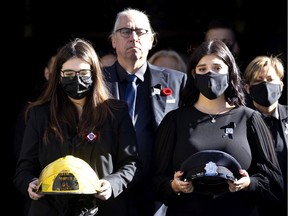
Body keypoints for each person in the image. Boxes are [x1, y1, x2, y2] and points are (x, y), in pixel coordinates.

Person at [152, 40, 284, 216]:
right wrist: (173, 185)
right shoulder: (175, 120)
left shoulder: (250, 118)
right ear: (193, 74)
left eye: (216, 68)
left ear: (229, 72)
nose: (209, 74)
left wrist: (249, 183)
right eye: (202, 69)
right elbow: (154, 179)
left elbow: (275, 182)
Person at [13, 38, 142, 216]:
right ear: (58, 76)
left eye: (83, 72)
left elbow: (131, 164)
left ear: (94, 73)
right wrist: (31, 182)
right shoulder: (39, 114)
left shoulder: (116, 112)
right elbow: (24, 168)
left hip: (102, 208)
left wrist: (112, 184)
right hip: (51, 209)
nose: (77, 79)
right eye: (68, 74)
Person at [103, 8, 187, 216]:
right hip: (107, 189)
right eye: (126, 31)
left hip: (157, 191)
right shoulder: (97, 81)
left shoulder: (177, 82)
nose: (134, 37)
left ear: (151, 40)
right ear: (113, 40)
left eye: (141, 32)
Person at [243, 55, 287, 216]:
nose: (266, 85)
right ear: (248, 88)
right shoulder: (240, 120)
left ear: (281, 85)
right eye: (259, 81)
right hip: (253, 206)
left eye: (270, 79)